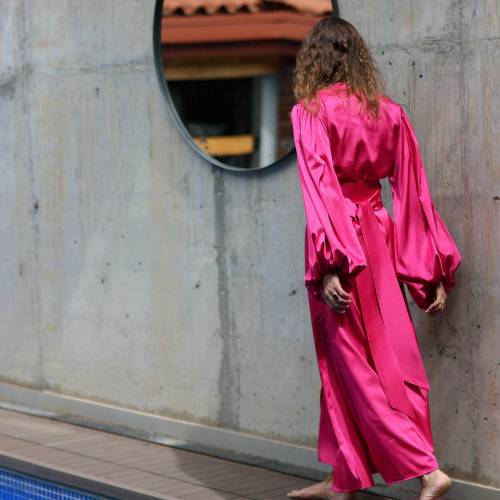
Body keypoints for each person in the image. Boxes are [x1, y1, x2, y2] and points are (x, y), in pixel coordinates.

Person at [286, 15, 462, 500]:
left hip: (343, 245)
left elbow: (322, 189)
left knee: (354, 363)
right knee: (383, 360)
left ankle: (427, 470)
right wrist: (428, 272)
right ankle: (344, 478)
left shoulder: (310, 112)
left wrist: (330, 266)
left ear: (314, 60)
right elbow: (413, 196)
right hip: (378, 239)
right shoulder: (390, 113)